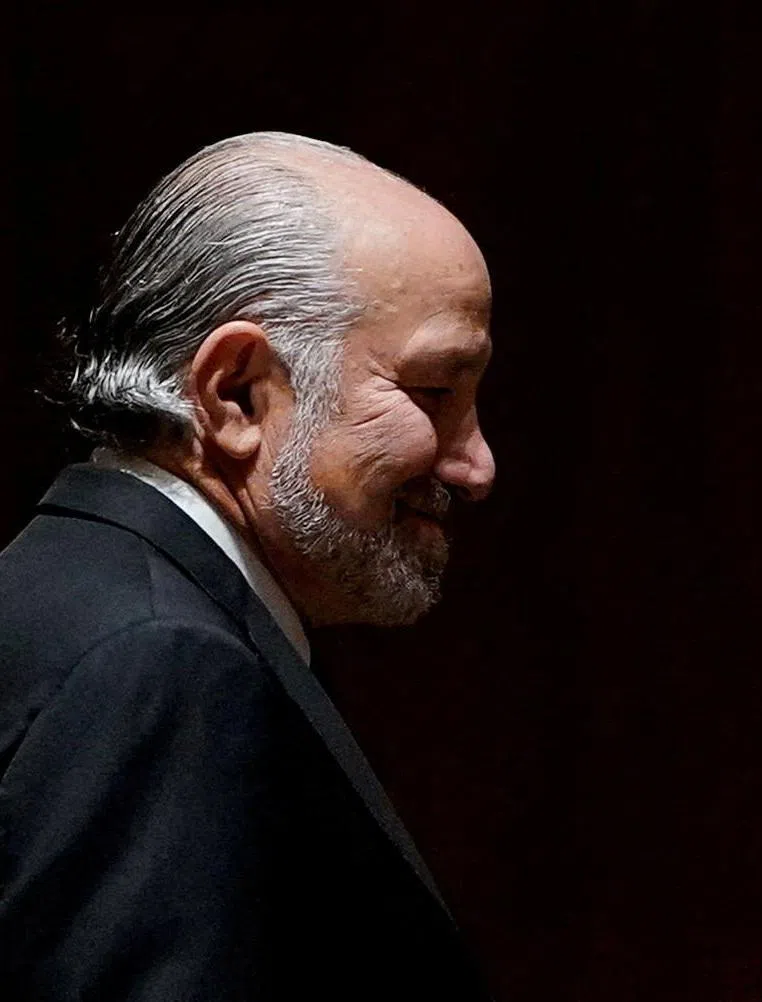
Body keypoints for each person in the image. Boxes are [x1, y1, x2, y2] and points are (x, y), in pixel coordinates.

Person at [0, 132, 496, 999]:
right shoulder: (161, 662)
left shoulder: (63, 591)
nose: (476, 465)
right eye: (434, 392)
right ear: (235, 394)